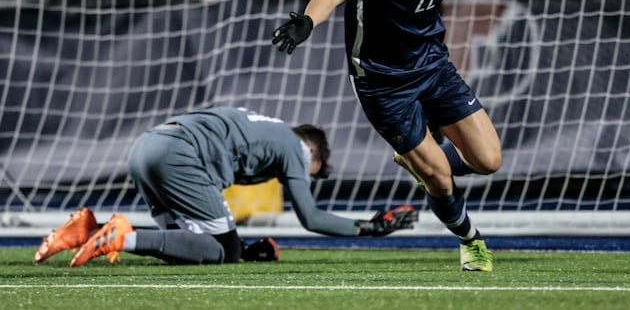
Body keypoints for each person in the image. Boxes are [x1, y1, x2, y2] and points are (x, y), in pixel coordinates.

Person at [272, 0, 559, 271]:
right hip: (384, 85)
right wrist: (307, 20)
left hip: (434, 68)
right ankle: (470, 240)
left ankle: (419, 160)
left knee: (489, 161)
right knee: (441, 180)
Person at [34, 106, 418, 266]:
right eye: (313, 172)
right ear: (313, 152)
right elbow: (311, 217)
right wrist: (369, 226)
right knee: (225, 250)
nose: (301, 177)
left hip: (145, 148)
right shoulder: (296, 149)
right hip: (181, 156)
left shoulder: (263, 126)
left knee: (184, 247)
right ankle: (122, 236)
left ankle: (90, 229)